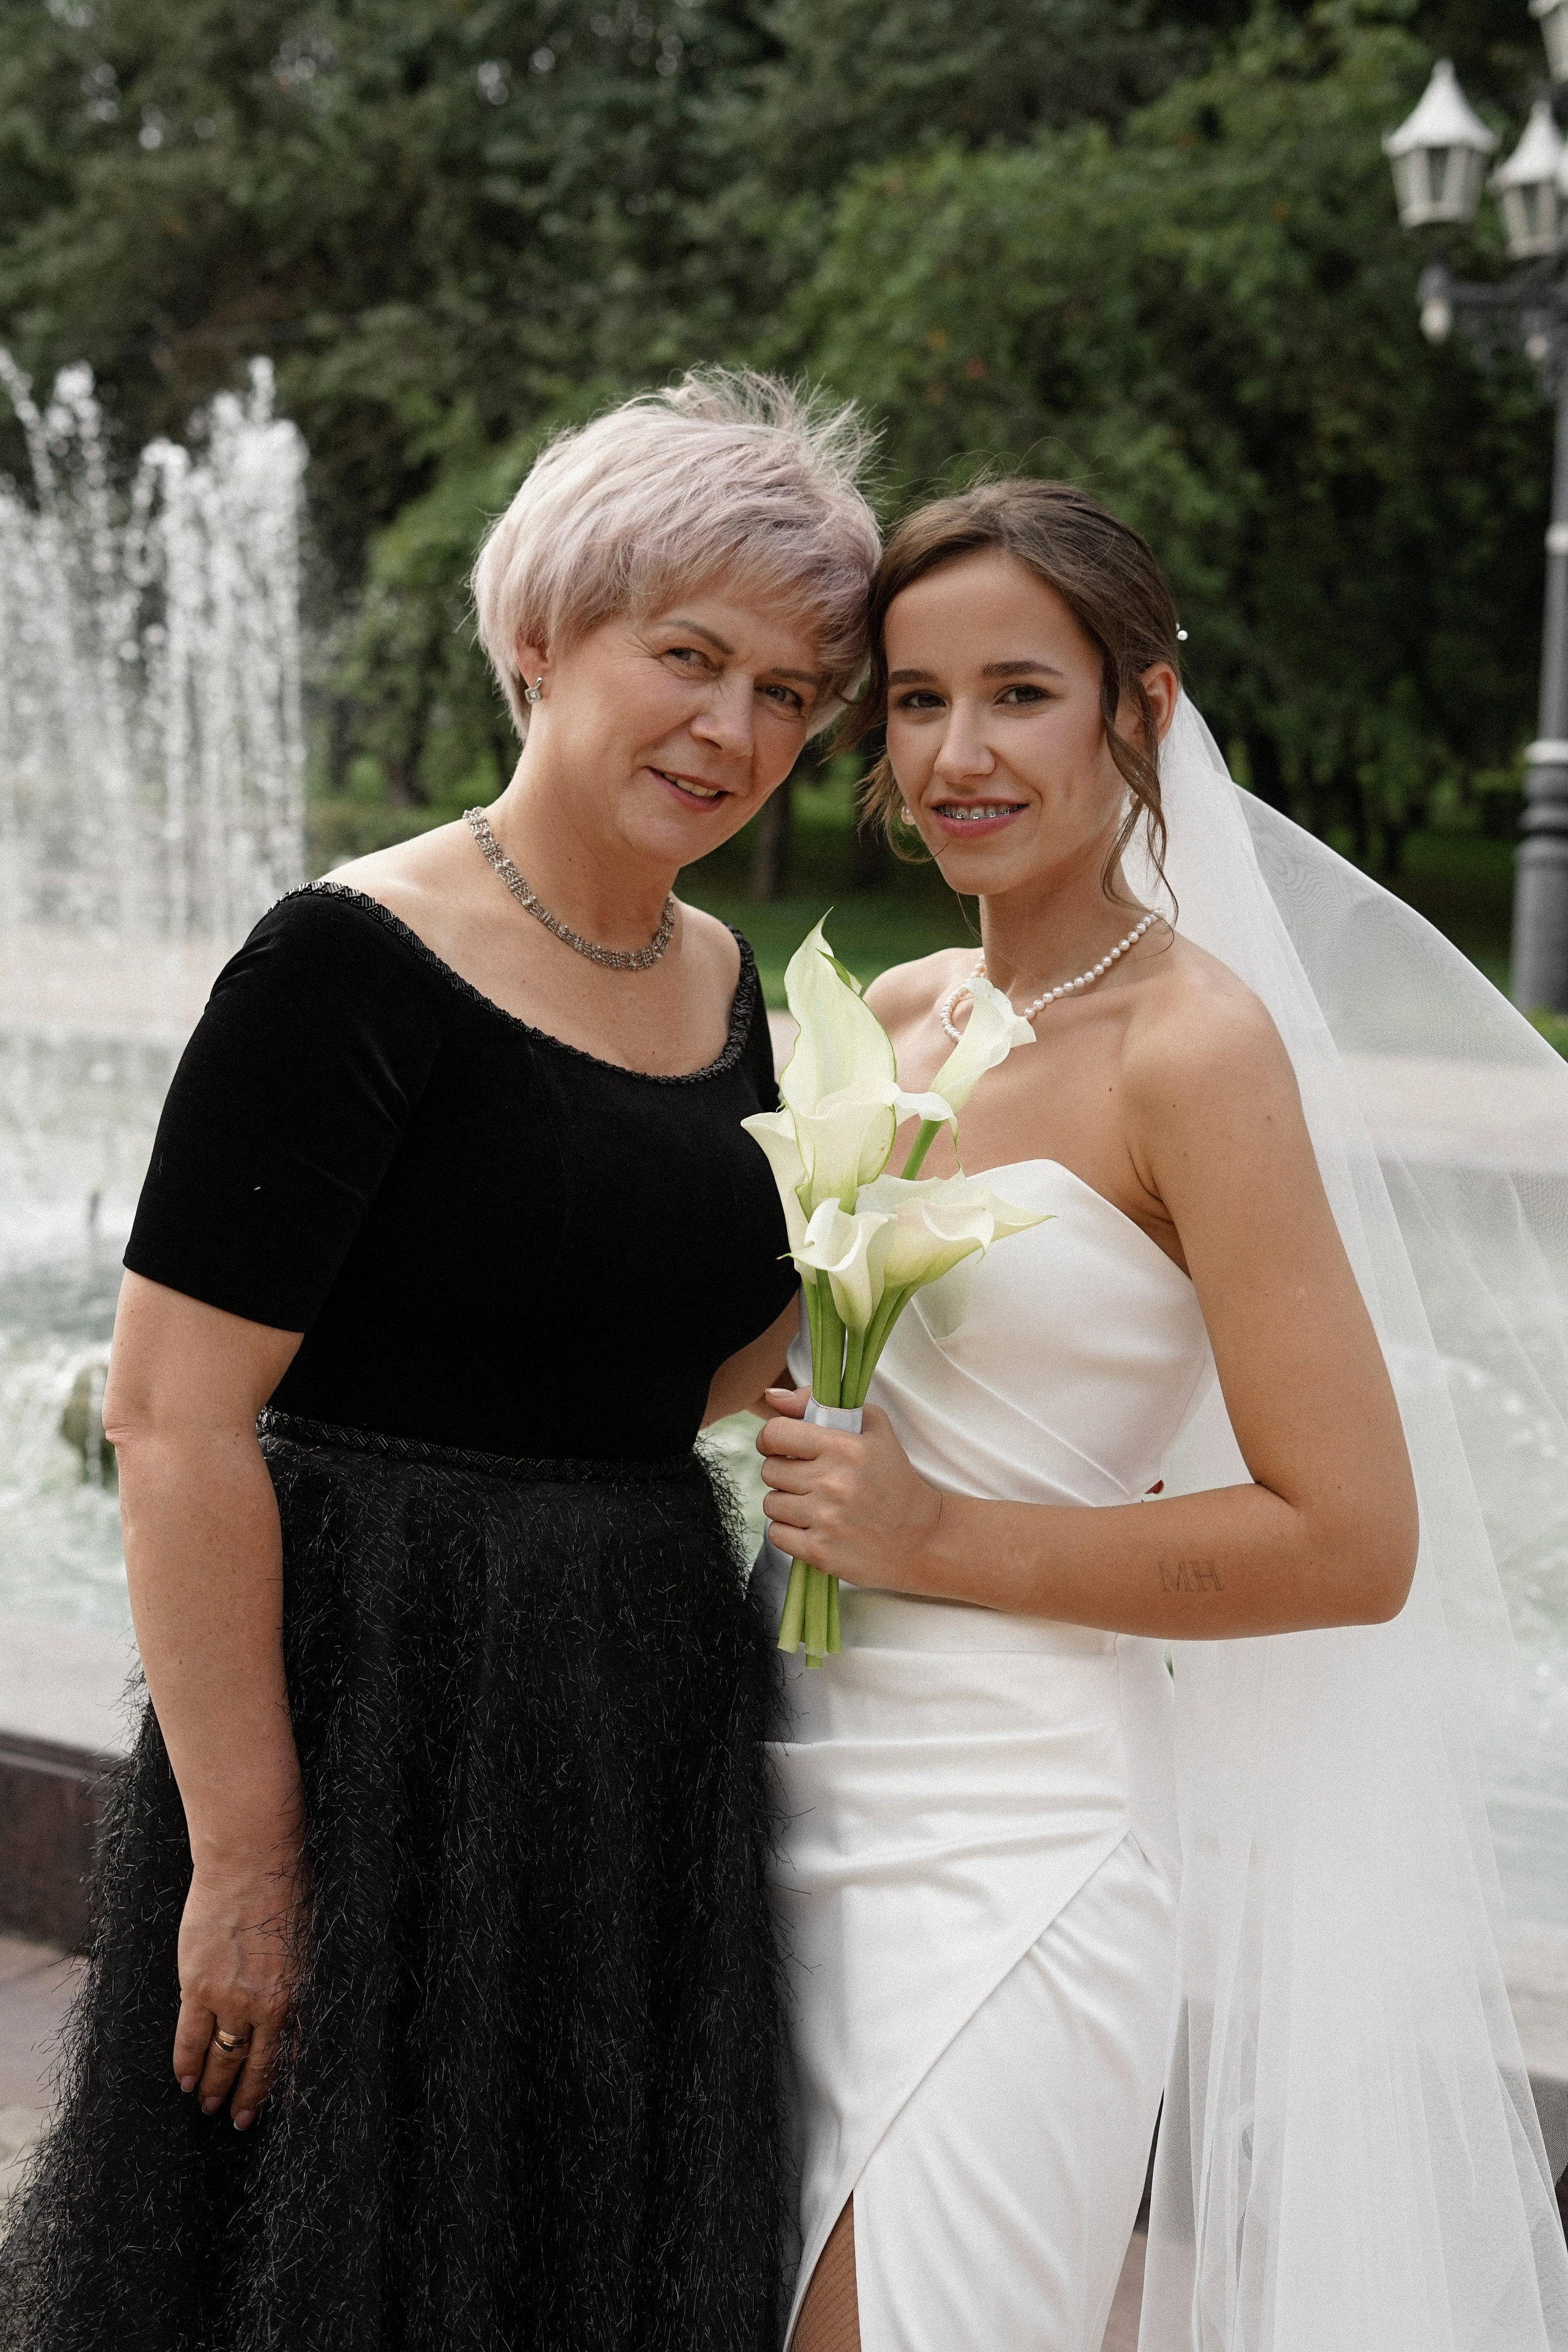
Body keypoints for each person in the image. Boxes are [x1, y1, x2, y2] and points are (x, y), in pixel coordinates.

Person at [0, 371, 880, 2352]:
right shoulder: (343, 962)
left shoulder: (735, 985)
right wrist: (248, 1860)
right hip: (374, 1718)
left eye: (788, 692)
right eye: (688, 656)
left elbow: (673, 1373)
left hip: (635, 1732)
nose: (735, 730)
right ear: (544, 634)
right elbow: (172, 1415)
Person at [753, 480, 1568, 2350]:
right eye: (919, 699)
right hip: (794, 1784)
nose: (958, 754)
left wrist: (934, 1538)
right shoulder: (892, 1016)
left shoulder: (1197, 1053)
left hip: (1021, 1841)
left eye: (1020, 694)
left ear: (1144, 710)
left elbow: (1351, 1541)